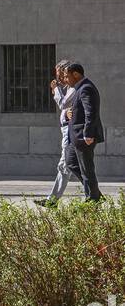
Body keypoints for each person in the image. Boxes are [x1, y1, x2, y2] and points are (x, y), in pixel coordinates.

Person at [35, 60, 75, 208]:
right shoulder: (68, 87)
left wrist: (56, 91)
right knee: (69, 166)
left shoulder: (73, 88)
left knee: (65, 166)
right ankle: (53, 200)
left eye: (61, 74)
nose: (59, 78)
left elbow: (64, 104)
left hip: (70, 131)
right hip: (66, 130)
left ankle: (52, 200)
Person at [64, 63, 104, 202]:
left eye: (67, 76)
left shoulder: (86, 88)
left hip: (83, 137)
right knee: (71, 162)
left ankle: (92, 200)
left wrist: (88, 134)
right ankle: (95, 193)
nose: (65, 79)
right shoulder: (79, 88)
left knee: (87, 170)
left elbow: (90, 113)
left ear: (76, 74)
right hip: (75, 137)